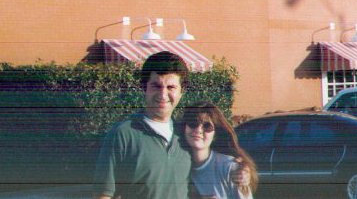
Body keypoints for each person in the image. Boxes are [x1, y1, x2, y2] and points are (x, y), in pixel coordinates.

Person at [93, 51, 249, 199]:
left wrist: (244, 171)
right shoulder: (123, 134)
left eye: (171, 87)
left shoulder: (187, 133)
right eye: (156, 86)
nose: (163, 95)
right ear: (144, 87)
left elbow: (214, 163)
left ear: (181, 91)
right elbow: (104, 194)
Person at [182, 101, 258, 199]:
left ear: (215, 134)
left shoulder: (231, 168)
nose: (198, 130)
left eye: (207, 126)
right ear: (184, 127)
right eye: (193, 123)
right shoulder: (176, 164)